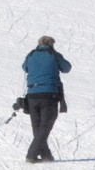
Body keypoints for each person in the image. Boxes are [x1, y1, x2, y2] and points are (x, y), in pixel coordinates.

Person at [20, 36, 71, 164]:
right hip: (49, 95)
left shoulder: (31, 55)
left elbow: (24, 68)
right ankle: (31, 155)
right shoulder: (54, 55)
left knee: (37, 127)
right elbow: (67, 68)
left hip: (32, 95)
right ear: (51, 44)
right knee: (45, 126)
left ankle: (46, 155)